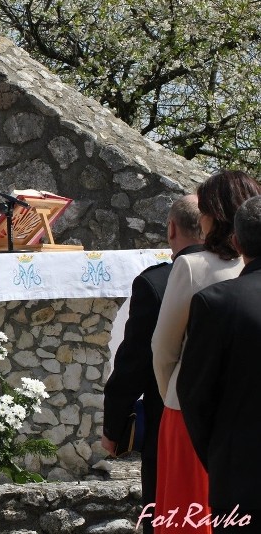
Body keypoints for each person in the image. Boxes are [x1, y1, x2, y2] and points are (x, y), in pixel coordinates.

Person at [151, 170, 261, 532]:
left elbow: (163, 348)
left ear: (213, 213)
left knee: (187, 514)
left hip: (191, 407)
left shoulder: (193, 265)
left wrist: (172, 394)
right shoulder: (245, 265)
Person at [101, 195, 204, 534]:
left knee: (165, 513)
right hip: (226, 421)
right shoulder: (238, 272)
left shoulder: (156, 282)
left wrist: (114, 430)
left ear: (171, 229)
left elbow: (134, 364)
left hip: (169, 421)